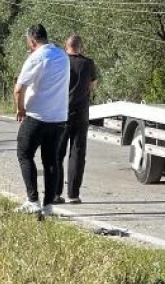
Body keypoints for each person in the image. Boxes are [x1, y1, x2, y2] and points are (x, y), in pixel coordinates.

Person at [13, 24, 70, 215]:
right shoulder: (62, 55)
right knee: (51, 160)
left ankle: (32, 200)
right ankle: (48, 205)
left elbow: (19, 88)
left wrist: (20, 109)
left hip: (37, 116)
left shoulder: (36, 57)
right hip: (59, 117)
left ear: (32, 40)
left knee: (24, 153)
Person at [55, 34, 99, 204]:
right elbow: (93, 84)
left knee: (57, 153)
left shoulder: (60, 62)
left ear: (66, 46)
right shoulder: (88, 63)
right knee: (77, 153)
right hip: (81, 113)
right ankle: (73, 194)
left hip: (60, 113)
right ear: (81, 47)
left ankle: (56, 193)